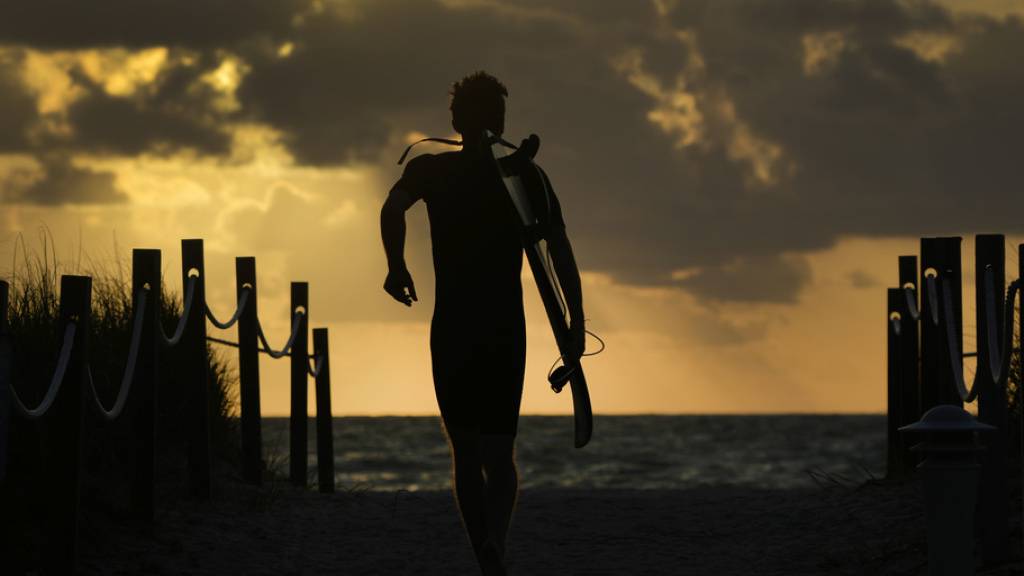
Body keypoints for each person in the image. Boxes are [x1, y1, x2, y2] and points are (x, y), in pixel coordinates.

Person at [379, 71, 585, 575]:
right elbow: (558, 249)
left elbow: (392, 206)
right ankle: (497, 542)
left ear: (454, 119)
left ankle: (482, 552)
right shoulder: (526, 176)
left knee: (466, 454)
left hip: (452, 327)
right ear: (499, 121)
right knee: (501, 454)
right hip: (503, 330)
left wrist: (396, 265)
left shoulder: (433, 171)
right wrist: (575, 322)